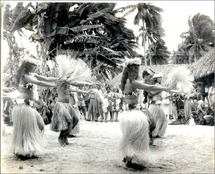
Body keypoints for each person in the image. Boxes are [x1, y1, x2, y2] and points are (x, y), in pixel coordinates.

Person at [119, 58, 178, 170]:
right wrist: (168, 89)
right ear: (132, 70)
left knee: (137, 134)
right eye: (136, 68)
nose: (138, 70)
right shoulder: (131, 82)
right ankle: (129, 158)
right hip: (134, 114)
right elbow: (149, 87)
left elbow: (147, 86)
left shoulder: (127, 81)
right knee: (139, 135)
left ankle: (128, 157)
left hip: (130, 112)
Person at [10, 57, 56, 159]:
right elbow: (39, 83)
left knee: (41, 125)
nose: (35, 67)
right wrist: (54, 85)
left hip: (29, 105)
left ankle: (29, 148)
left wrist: (60, 79)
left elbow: (45, 79)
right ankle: (23, 151)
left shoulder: (32, 75)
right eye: (34, 65)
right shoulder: (24, 76)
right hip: (22, 106)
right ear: (28, 66)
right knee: (26, 129)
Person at [148, 73, 168, 138]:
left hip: (157, 104)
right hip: (155, 105)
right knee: (158, 119)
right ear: (156, 79)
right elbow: (150, 94)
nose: (160, 79)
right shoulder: (157, 85)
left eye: (161, 78)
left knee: (159, 119)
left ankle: (156, 133)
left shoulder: (158, 85)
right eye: (159, 78)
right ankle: (155, 133)